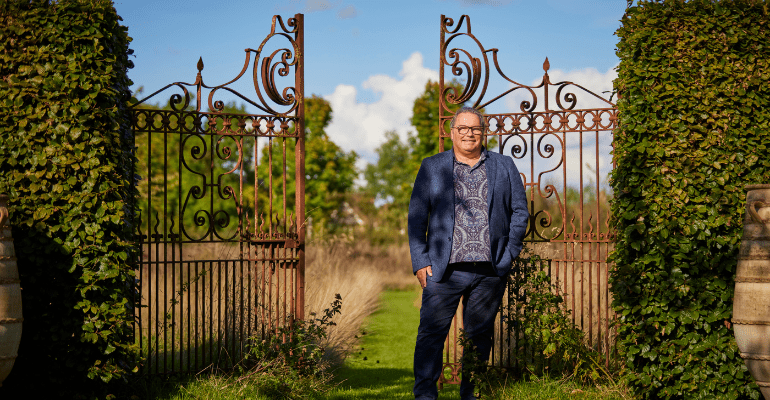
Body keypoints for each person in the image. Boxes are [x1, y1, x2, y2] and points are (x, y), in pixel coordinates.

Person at [408, 106, 529, 400]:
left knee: (478, 339)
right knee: (431, 336)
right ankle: (425, 395)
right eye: (462, 128)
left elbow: (520, 211)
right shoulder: (432, 166)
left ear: (483, 133)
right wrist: (421, 260)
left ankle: (470, 395)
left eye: (474, 128)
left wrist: (508, 253)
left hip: (489, 270)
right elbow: (416, 216)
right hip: (443, 269)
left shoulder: (504, 165)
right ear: (452, 133)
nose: (468, 134)